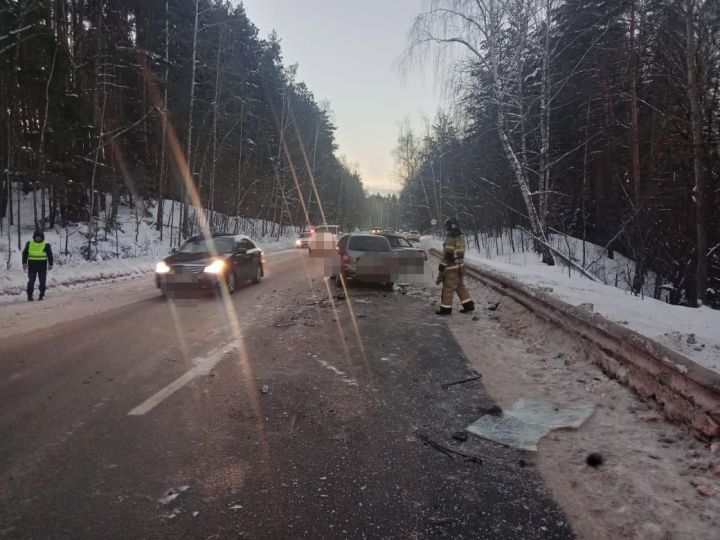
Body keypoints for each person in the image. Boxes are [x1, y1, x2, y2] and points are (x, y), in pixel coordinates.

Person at [436, 218, 474, 315]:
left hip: (451, 267)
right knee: (460, 287)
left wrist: (442, 265)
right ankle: (469, 307)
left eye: (447, 227)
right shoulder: (460, 236)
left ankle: (445, 310)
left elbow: (448, 254)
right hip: (460, 267)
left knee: (448, 289)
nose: (446, 229)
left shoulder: (451, 237)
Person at [22, 230, 54, 302]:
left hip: (42, 266)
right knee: (31, 281)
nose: (38, 238)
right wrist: (24, 263)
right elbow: (24, 254)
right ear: (34, 237)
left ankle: (41, 295)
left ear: (42, 237)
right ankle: (29, 296)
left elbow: (50, 255)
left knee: (42, 282)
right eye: (37, 237)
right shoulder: (29, 243)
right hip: (32, 266)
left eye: (39, 237)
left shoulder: (46, 244)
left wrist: (51, 264)